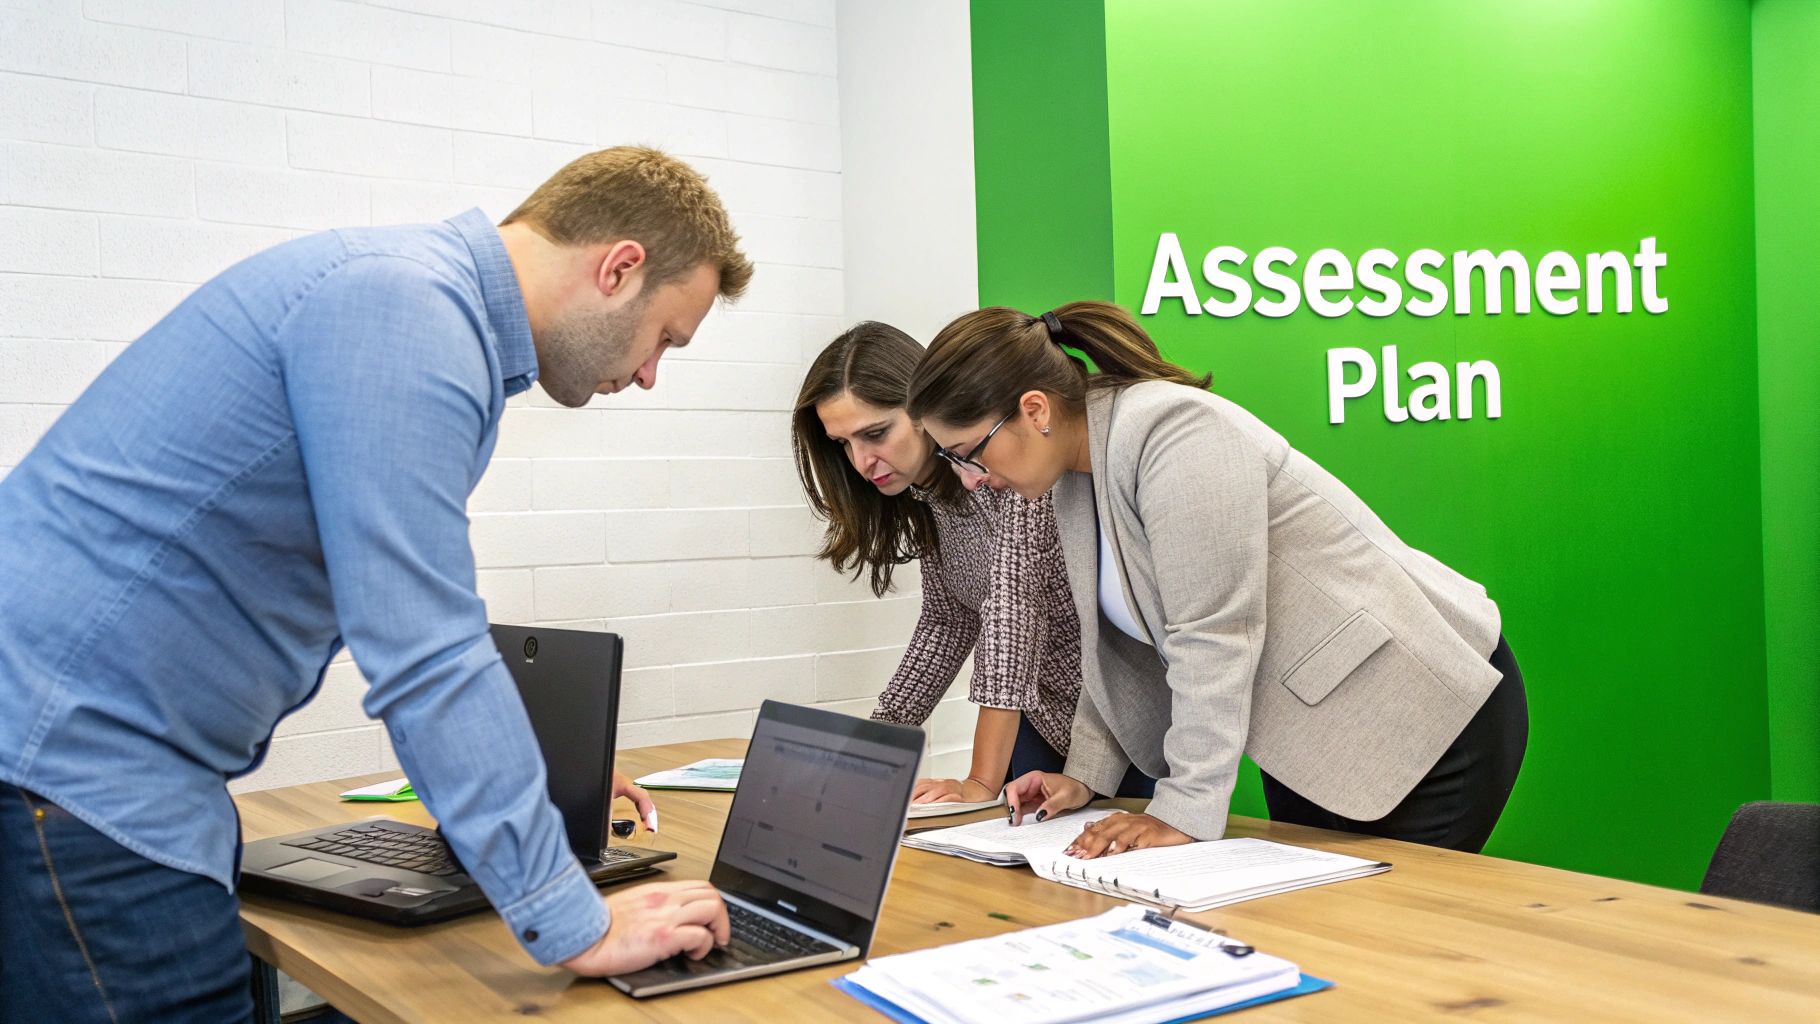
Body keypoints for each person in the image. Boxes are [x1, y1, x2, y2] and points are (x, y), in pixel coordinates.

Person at [0, 147, 751, 1021]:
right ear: (620, 268)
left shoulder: (402, 296)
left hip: (69, 764)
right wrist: (570, 918)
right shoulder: (407, 313)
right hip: (76, 771)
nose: (653, 373)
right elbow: (424, 648)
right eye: (667, 337)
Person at [904, 301, 1528, 858]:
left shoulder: (1173, 431)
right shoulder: (1074, 476)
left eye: (968, 451)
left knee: (1389, 949)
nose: (967, 478)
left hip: (1419, 716)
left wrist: (1184, 807)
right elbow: (1119, 644)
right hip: (1310, 736)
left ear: (1033, 409)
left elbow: (1213, 632)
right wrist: (1086, 774)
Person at [791, 322, 1152, 805]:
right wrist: (870, 749)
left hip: (1115, 721)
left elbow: (1012, 615)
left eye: (875, 433)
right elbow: (947, 623)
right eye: (844, 444)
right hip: (1039, 714)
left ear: (922, 408)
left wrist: (981, 781)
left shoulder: (1014, 472)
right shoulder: (932, 498)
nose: (862, 462)